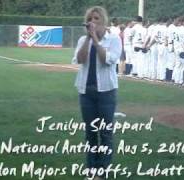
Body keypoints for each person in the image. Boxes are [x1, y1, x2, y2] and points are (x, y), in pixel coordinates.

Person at [72, 6, 122, 180]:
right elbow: (80, 59)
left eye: (96, 19)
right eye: (90, 19)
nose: (93, 23)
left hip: (106, 92)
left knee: (105, 133)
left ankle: (103, 171)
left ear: (104, 21)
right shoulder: (82, 40)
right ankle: (91, 170)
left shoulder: (114, 39)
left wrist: (95, 38)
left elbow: (107, 60)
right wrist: (88, 38)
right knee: (90, 133)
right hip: (86, 92)